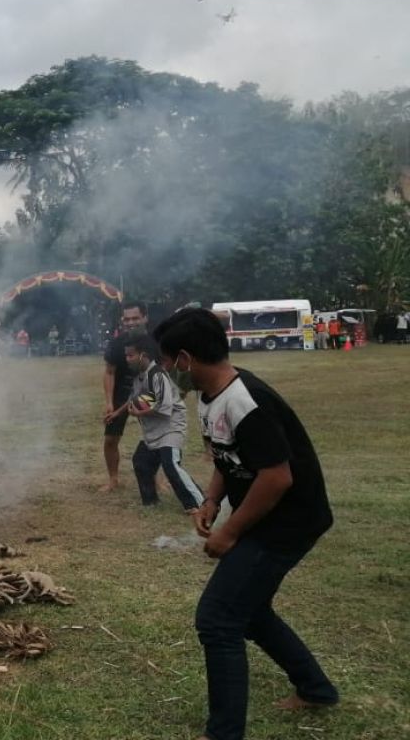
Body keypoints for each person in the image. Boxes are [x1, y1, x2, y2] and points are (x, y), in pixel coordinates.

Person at [152, 308, 338, 740]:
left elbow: (277, 477)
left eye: (165, 361)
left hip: (289, 520)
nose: (164, 370)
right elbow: (225, 455)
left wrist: (229, 533)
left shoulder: (244, 401)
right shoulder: (209, 396)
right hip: (268, 515)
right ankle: (316, 689)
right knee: (249, 613)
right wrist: (212, 501)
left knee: (217, 620)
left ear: (184, 358)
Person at [110, 335, 204, 511]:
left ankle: (197, 503)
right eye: (126, 356)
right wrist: (117, 413)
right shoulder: (140, 376)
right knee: (141, 461)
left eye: (130, 355)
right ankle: (150, 501)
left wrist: (139, 412)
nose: (127, 359)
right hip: (154, 429)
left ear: (143, 355)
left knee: (171, 466)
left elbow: (165, 407)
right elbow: (134, 398)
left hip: (171, 428)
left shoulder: (157, 374)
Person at [101, 301, 148, 492]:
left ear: (145, 318)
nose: (130, 322)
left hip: (147, 391)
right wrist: (109, 402)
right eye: (127, 319)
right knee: (110, 439)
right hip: (122, 390)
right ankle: (113, 479)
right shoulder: (116, 343)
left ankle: (156, 478)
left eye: (135, 318)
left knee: (154, 437)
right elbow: (109, 372)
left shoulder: (154, 341)